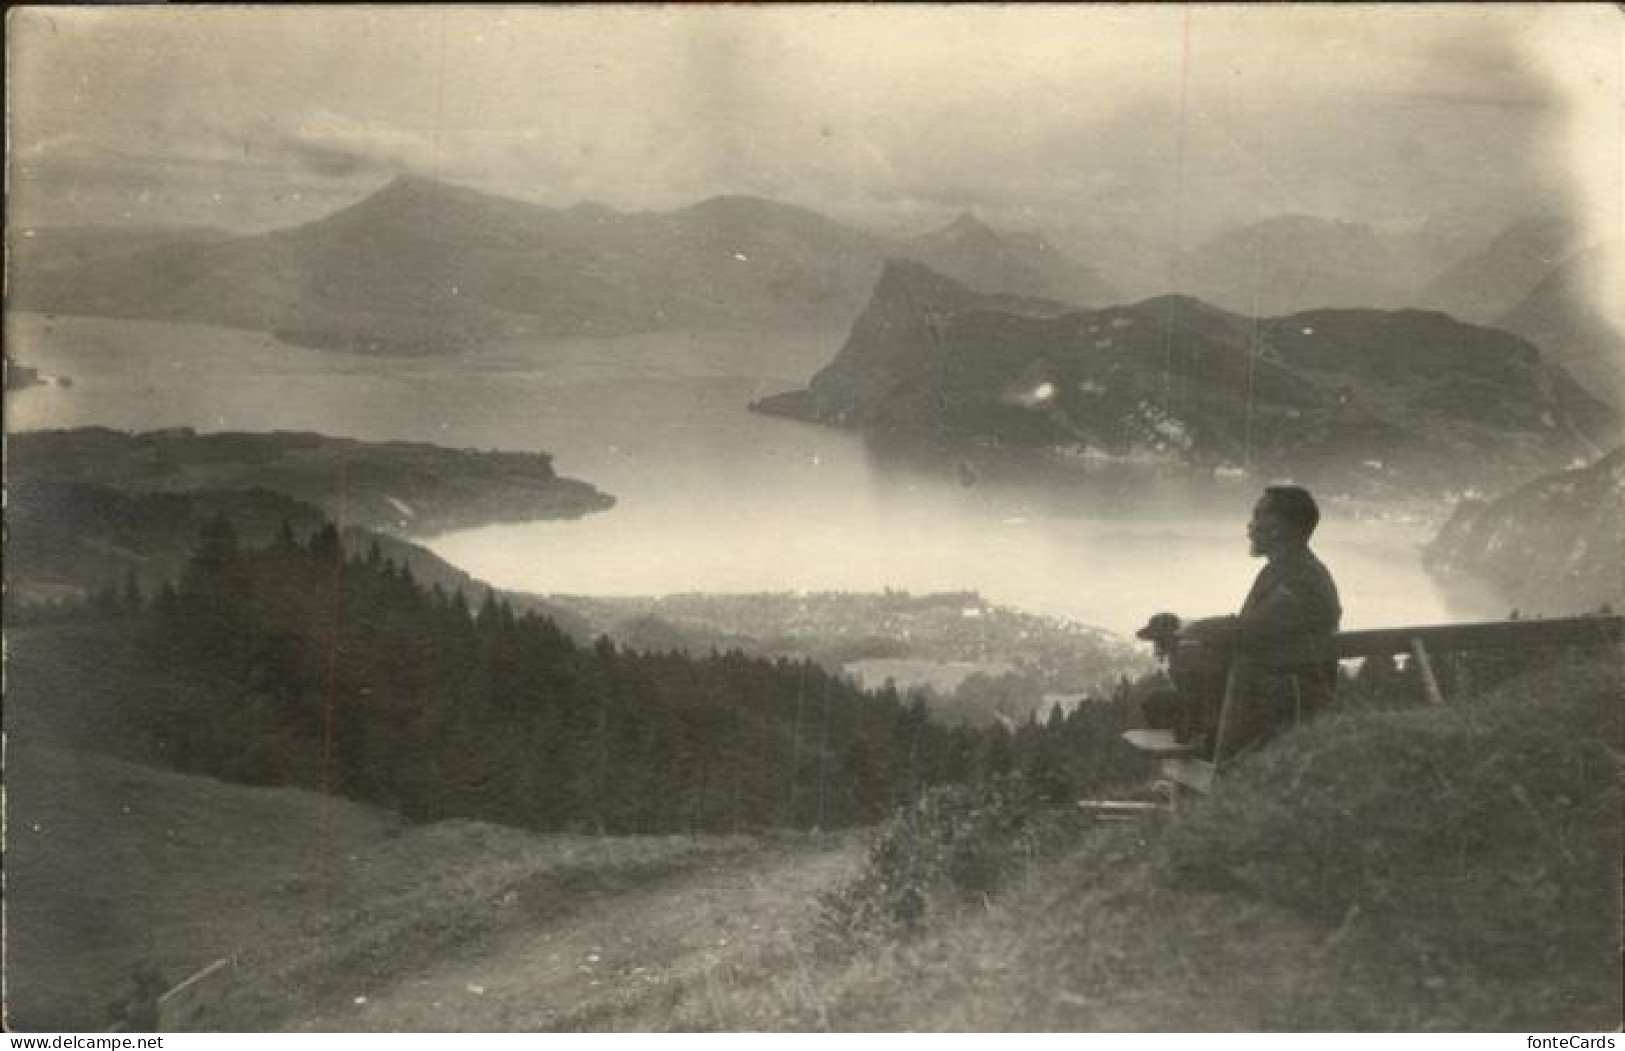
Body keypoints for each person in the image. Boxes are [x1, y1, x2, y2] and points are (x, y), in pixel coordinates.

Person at [1140, 485, 1342, 764]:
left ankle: (1215, 757)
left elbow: (1252, 630)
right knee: (1157, 703)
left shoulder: (1298, 578)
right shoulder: (1293, 571)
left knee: (1162, 704)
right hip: (1274, 689)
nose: (1250, 526)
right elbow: (1255, 627)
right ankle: (1205, 739)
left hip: (1274, 699)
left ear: (1281, 527)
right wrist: (1192, 630)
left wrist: (1191, 632)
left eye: (1258, 516)